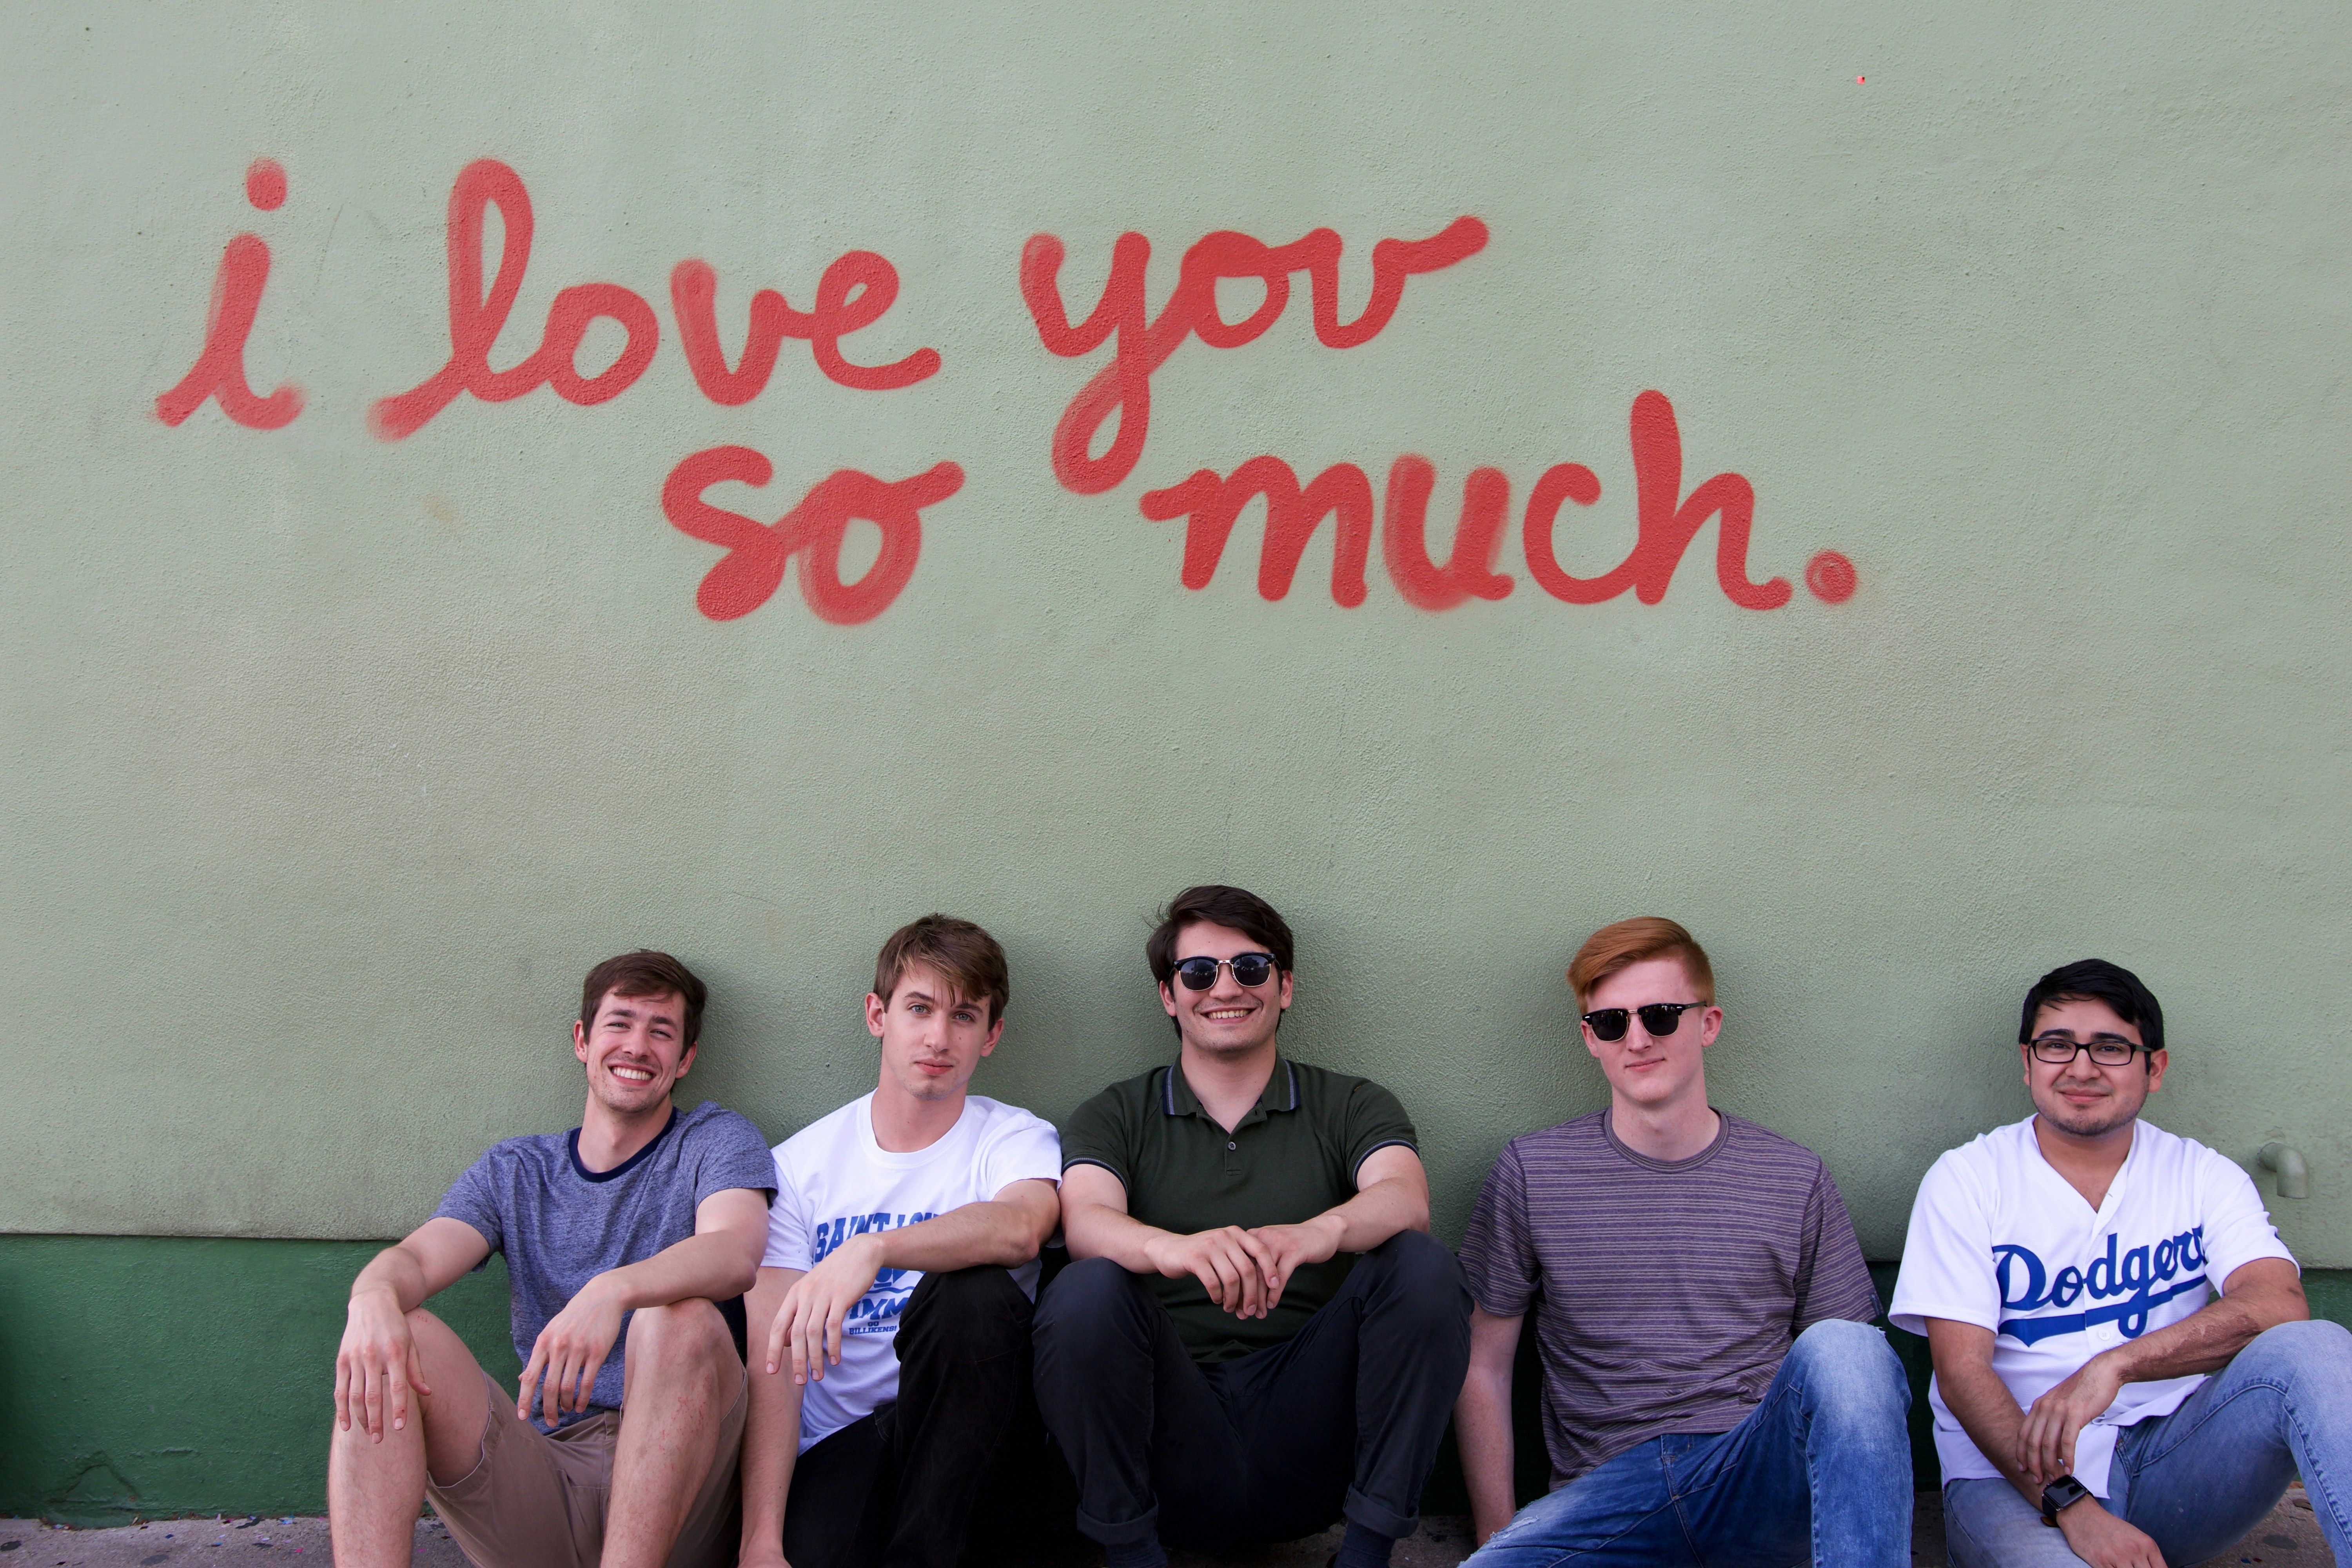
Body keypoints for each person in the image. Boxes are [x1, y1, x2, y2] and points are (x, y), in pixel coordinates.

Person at [1033, 884, 1471, 1568]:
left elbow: (1404, 1197)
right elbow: (1086, 1219)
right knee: (1083, 1291)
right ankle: (1131, 1557)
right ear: (1169, 996)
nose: (1225, 987)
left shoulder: (1351, 1102)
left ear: (1286, 986)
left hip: (1314, 1430)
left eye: (1251, 968)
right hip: (1169, 1435)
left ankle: (1365, 1556)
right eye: (1199, 972)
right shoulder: (1117, 1112)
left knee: (1423, 1266)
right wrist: (1171, 1250)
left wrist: (1315, 1233)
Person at [1455, 916, 1912, 1567]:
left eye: (1662, 1015)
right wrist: (1496, 1533)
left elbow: (1851, 1383)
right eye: (1612, 1022)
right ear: (1590, 1039)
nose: (1638, 1038)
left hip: (1755, 1473)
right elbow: (1484, 1364)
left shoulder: (1792, 1176)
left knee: (1849, 1346)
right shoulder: (1533, 1172)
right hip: (1610, 1497)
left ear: (1709, 1023)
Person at [1891, 958, 2352, 1568]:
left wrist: (2116, 1366)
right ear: (2027, 1061)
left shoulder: (2202, 1174)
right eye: (2057, 1046)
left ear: (2153, 1067)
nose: (2081, 1068)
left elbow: (2278, 1304)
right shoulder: (1968, 1179)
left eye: (2110, 1047)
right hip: (2015, 1477)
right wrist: (2073, 1508)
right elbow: (1962, 1376)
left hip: (2176, 1458)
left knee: (2315, 1348)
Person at [329, 951, 777, 1568]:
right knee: (391, 1337)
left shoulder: (715, 1140)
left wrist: (613, 1291)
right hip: (546, 1476)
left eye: (661, 1031)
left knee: (680, 1321)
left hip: (685, 1487)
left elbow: (734, 1252)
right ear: (583, 1040)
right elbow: (415, 1258)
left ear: (685, 1059)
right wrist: (372, 1297)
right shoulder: (517, 1170)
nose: (638, 1045)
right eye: (620, 1023)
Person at [741, 915, 1062, 1568]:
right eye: (919, 1008)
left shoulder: (1013, 1138)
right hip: (848, 1441)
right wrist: (759, 1542)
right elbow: (772, 1362)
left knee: (970, 1292)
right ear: (877, 1015)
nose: (938, 1037)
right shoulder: (799, 1169)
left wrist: (874, 1249)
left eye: (965, 1016)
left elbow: (1022, 1226)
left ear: (991, 1035)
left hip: (981, 1439)